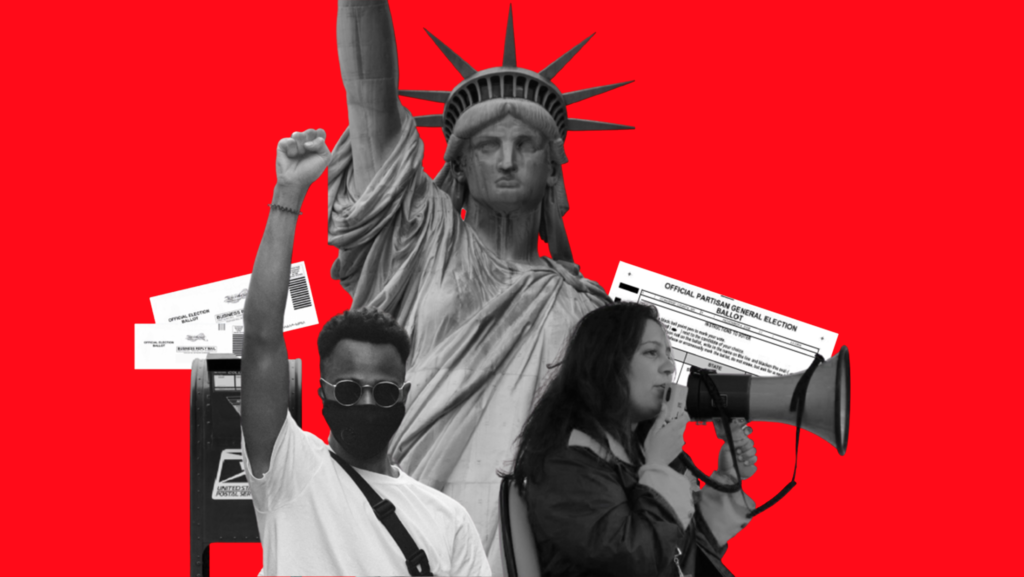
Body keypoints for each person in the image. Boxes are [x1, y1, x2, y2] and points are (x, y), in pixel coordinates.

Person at [329, 0, 623, 559]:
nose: (508, 160)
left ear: (552, 167)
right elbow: (370, 98)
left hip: (531, 549)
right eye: (489, 146)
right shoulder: (420, 243)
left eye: (526, 145)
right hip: (398, 530)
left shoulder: (586, 309)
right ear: (460, 166)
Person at [240, 128, 490, 576]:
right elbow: (261, 338)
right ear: (322, 392)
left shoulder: (448, 521)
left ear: (405, 395)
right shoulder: (291, 472)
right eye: (351, 391)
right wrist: (288, 195)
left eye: (385, 392)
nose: (370, 402)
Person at [508, 302, 758, 577]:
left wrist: (725, 477)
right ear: (606, 363)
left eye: (669, 354)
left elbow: (680, 553)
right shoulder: (565, 463)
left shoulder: (642, 445)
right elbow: (636, 561)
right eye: (651, 352)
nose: (669, 367)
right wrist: (659, 467)